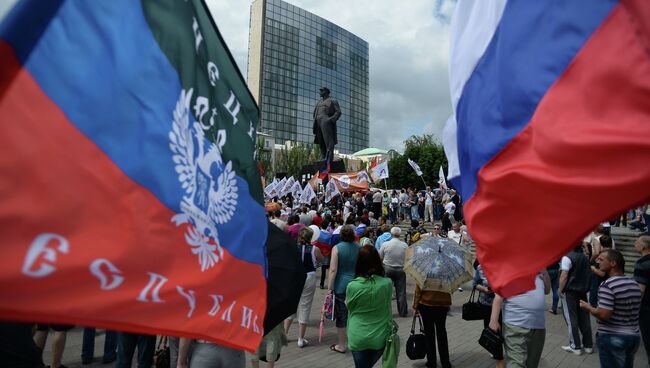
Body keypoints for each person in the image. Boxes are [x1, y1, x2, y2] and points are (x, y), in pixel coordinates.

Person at [580, 249, 642, 368]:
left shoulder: (607, 285)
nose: (598, 262)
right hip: (633, 336)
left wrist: (588, 307)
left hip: (613, 336)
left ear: (613, 263)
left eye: (601, 260)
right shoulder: (633, 283)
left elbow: (604, 314)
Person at [489, 270, 550, 368]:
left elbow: (547, 290)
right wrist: (493, 320)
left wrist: (545, 273)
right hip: (515, 326)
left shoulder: (539, 269)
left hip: (538, 327)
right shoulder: (511, 269)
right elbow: (498, 297)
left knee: (532, 364)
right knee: (516, 363)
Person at [346, 246, 392, 368]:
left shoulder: (353, 286)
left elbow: (349, 306)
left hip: (358, 334)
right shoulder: (387, 283)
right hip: (380, 335)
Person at [284, 227, 323, 347]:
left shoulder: (293, 248)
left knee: (291, 305)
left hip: (295, 276)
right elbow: (321, 260)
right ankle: (300, 339)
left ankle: (284, 336)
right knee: (305, 306)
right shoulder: (315, 249)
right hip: (309, 276)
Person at [327, 225, 360, 354]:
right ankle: (355, 341)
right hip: (356, 284)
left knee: (342, 316)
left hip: (341, 285)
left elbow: (333, 270)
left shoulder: (337, 248)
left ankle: (342, 345)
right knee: (355, 314)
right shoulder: (359, 248)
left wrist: (330, 288)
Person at [558, 243, 593, 355]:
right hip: (582, 291)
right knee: (584, 318)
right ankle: (588, 345)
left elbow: (564, 275)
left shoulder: (567, 257)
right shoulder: (585, 257)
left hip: (570, 292)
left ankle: (575, 346)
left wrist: (560, 289)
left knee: (571, 318)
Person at [413, 285, 452, 368]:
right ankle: (445, 362)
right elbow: (450, 287)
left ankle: (431, 362)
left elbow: (418, 288)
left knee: (429, 334)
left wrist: (415, 305)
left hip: (426, 304)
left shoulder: (425, 272)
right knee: (441, 333)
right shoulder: (446, 273)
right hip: (442, 304)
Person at [379, 227, 408, 317]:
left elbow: (380, 256)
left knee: (386, 291)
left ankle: (385, 311)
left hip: (388, 268)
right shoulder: (404, 245)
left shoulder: (385, 244)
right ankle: (402, 312)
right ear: (399, 234)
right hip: (400, 268)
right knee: (401, 291)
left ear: (391, 234)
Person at [313, 87, 341, 164]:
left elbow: (338, 112)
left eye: (321, 91)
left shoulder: (332, 100)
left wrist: (331, 120)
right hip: (318, 122)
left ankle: (329, 157)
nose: (320, 92)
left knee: (328, 140)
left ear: (326, 92)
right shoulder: (319, 102)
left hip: (326, 121)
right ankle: (322, 155)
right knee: (320, 140)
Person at [634, 235, 650, 367]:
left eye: (637, 243)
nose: (635, 245)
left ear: (643, 247)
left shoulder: (642, 264)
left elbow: (640, 290)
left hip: (647, 309)